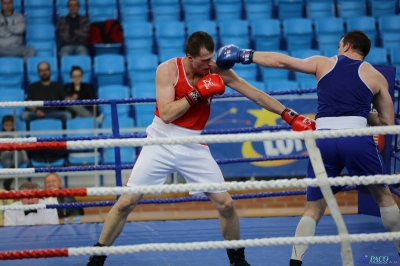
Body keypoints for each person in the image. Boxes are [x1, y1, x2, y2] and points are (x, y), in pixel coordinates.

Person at [86, 31, 315, 266]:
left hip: (193, 142)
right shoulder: (167, 70)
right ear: (190, 57)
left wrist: (288, 114)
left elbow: (256, 95)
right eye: (204, 61)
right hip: (161, 140)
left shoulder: (216, 70)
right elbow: (166, 114)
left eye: (211, 59)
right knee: (125, 202)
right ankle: (98, 256)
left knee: (226, 204)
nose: (210, 65)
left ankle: (237, 259)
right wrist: (196, 94)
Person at [215, 30, 400, 266]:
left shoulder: (323, 64)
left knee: (313, 208)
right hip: (357, 137)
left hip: (322, 139)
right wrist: (365, 111)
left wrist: (244, 55)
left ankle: (295, 262)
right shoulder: (375, 76)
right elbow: (387, 124)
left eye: (339, 44)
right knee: (384, 197)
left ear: (347, 45)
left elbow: (281, 61)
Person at [21, 61, 73, 128]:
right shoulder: (32, 86)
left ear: (50, 71)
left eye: (46, 70)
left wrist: (71, 99)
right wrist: (36, 111)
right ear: (38, 72)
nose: (44, 72)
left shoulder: (57, 86)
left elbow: (66, 98)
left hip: (54, 114)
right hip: (37, 114)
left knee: (67, 115)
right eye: (41, 70)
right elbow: (29, 102)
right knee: (25, 115)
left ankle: (63, 137)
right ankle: (28, 137)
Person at [0, 115, 29, 191]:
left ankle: (8, 179)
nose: (8, 127)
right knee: (14, 151)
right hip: (5, 155)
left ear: (13, 125)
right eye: (6, 125)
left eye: (10, 125)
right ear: (3, 125)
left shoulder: (16, 135)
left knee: (17, 151)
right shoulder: (0, 135)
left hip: (15, 155)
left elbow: (21, 146)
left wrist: (25, 156)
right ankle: (12, 170)